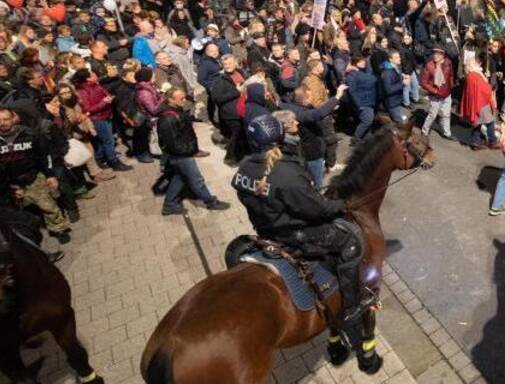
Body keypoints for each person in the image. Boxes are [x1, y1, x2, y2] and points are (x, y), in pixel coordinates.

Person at [230, 112, 377, 343]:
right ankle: (351, 306)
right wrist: (341, 204)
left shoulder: (244, 168)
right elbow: (317, 210)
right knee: (351, 241)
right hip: (296, 236)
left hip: (266, 232)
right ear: (280, 137)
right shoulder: (287, 173)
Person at [0, 106, 73, 243]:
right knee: (22, 213)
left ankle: (59, 229)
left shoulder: (29, 134)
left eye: (6, 119)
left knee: (48, 206)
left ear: (13, 118)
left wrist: (50, 175)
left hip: (33, 177)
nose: (2, 123)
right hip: (10, 184)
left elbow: (44, 155)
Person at [157, 87, 230, 215]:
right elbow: (173, 143)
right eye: (181, 99)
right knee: (197, 180)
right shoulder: (168, 119)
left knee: (179, 177)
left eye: (184, 97)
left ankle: (169, 204)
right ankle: (211, 202)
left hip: (181, 153)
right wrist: (189, 150)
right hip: (181, 155)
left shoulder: (175, 110)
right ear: (170, 100)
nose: (184, 100)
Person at [71, 69, 133, 172]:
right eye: (93, 74)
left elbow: (105, 94)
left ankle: (101, 159)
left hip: (106, 115)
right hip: (98, 119)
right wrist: (103, 103)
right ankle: (114, 162)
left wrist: (109, 98)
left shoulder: (96, 85)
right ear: (88, 78)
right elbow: (88, 109)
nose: (96, 75)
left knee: (102, 141)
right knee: (109, 141)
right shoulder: (82, 91)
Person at [461, 55, 499, 150]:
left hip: (477, 102)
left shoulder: (471, 74)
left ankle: (475, 142)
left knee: (478, 122)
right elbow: (485, 89)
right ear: (472, 64)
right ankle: (492, 141)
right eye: (477, 62)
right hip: (481, 102)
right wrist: (488, 84)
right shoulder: (475, 75)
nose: (480, 63)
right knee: (490, 122)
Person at [420, 45, 454, 140]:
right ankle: (424, 131)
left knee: (446, 114)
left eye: (438, 54)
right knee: (432, 114)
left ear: (443, 55)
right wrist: (434, 90)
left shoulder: (448, 63)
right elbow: (423, 82)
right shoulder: (429, 65)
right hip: (435, 96)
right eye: (434, 53)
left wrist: (451, 86)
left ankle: (447, 133)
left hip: (447, 94)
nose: (435, 56)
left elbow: (451, 75)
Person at [345, 55, 377, 143]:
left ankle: (366, 138)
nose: (364, 63)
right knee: (367, 120)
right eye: (360, 62)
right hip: (363, 102)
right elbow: (352, 92)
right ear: (355, 63)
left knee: (367, 120)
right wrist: (359, 105)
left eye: (364, 61)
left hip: (368, 100)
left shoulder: (364, 71)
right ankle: (356, 138)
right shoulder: (351, 75)